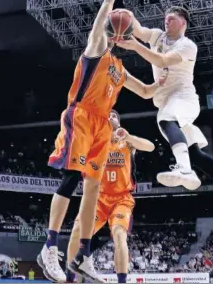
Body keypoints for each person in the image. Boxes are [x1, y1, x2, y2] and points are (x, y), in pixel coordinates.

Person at [38, 0, 172, 282]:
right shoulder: (97, 47)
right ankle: (49, 248)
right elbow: (102, 15)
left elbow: (144, 91)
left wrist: (163, 82)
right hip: (81, 115)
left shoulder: (120, 68)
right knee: (71, 178)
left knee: (92, 191)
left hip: (100, 126)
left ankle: (81, 256)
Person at [116, 6, 213, 221]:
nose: (167, 22)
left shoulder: (187, 46)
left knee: (165, 119)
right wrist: (125, 15)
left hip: (184, 100)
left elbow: (162, 61)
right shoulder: (157, 36)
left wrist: (136, 47)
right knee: (197, 155)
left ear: (183, 22)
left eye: (172, 19)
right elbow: (137, 29)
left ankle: (185, 170)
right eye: (165, 18)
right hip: (167, 102)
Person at [66, 110, 154, 283]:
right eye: (108, 116)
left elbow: (150, 146)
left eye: (114, 116)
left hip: (121, 198)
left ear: (119, 122)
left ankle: (121, 281)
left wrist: (129, 137)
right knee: (76, 232)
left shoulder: (126, 142)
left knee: (119, 234)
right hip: (97, 198)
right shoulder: (95, 142)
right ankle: (70, 279)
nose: (111, 117)